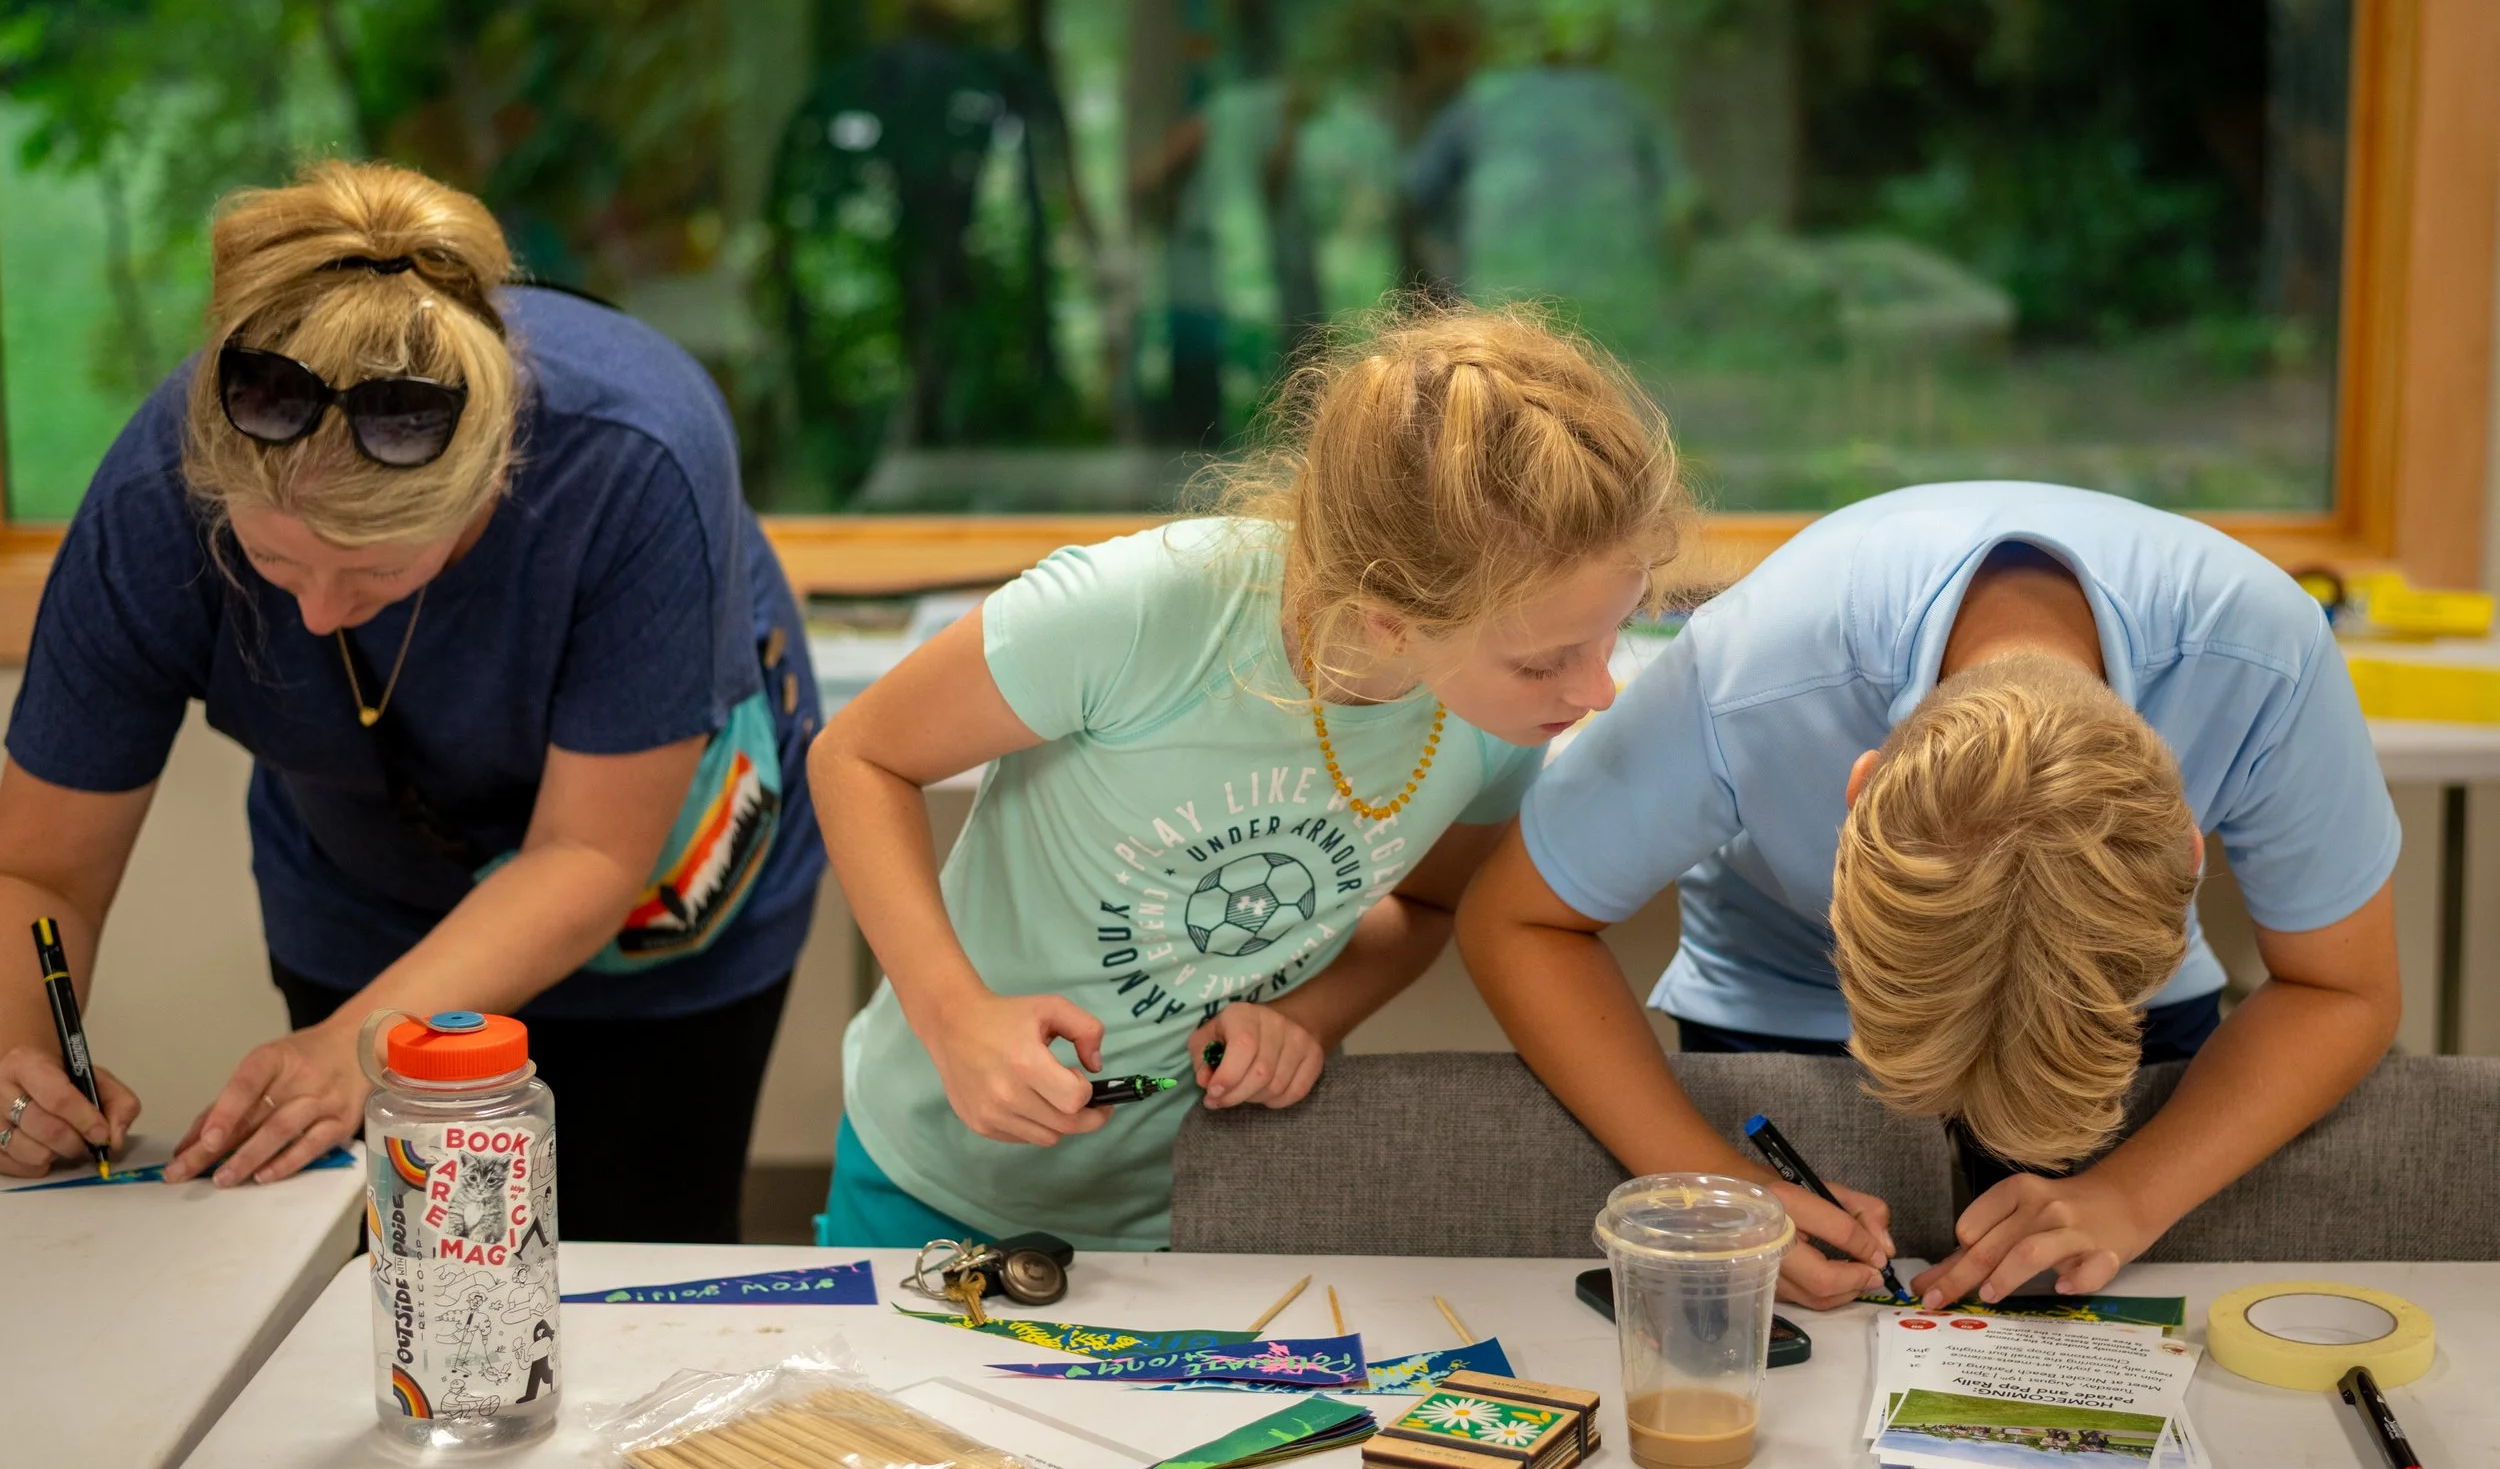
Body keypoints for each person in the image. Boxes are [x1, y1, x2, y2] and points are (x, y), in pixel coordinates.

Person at [0, 162, 824, 1242]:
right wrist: (22, 1066)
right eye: (274, 563)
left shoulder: (635, 452)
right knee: (406, 1271)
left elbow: (586, 854)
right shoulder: (162, 490)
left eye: (379, 575)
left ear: (492, 485)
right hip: (366, 904)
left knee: (636, 1278)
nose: (321, 618)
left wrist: (360, 1042)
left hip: (653, 896)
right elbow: (39, 869)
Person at [812, 304, 1689, 1250]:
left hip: (1211, 1201)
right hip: (933, 1175)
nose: (1595, 690)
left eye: (1617, 633)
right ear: (1390, 618)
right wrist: (953, 1017)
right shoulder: (1140, 613)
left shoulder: (1498, 716)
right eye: (1547, 660)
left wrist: (1307, 1016)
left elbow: (1429, 912)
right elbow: (855, 755)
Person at [1458, 481, 2400, 1310]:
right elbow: (1518, 920)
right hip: (1782, 1003)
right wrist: (1702, 1176)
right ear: (1858, 792)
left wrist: (2139, 1190)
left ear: (2185, 854)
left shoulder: (2270, 658)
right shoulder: (1752, 666)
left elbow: (2343, 987)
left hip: (2122, 1028)